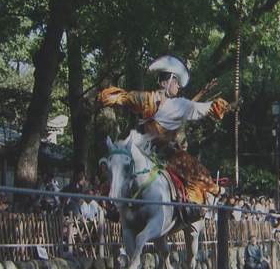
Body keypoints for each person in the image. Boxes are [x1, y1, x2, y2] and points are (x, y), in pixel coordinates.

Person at [98, 55, 231, 222]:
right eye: (176, 82)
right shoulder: (147, 99)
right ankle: (111, 204)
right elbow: (126, 97)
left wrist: (216, 106)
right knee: (115, 160)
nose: (178, 87)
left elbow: (201, 108)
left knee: (192, 167)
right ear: (165, 83)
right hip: (139, 146)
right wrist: (110, 97)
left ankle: (192, 207)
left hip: (165, 152)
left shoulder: (181, 104)